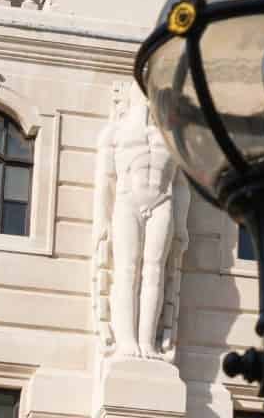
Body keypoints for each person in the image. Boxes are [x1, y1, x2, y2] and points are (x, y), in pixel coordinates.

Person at [92, 82, 190, 360]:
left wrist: (182, 224)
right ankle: (126, 341)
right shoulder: (115, 132)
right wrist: (102, 220)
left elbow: (182, 186)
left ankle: (147, 342)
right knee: (127, 269)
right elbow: (105, 181)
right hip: (127, 201)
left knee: (155, 271)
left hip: (162, 202)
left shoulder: (174, 136)